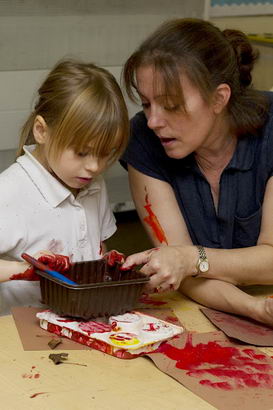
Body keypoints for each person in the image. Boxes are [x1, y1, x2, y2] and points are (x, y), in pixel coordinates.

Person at [120, 18, 273, 326]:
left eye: (171, 105)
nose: (153, 121)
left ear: (219, 98)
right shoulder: (143, 139)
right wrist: (255, 310)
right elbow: (177, 269)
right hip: (211, 307)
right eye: (147, 104)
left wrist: (191, 259)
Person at [0, 59, 129, 315]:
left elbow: (95, 248)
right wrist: (27, 270)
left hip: (81, 321)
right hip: (22, 334)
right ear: (41, 131)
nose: (95, 167)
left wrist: (107, 265)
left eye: (106, 154)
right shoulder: (9, 191)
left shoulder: (92, 184)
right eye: (82, 152)